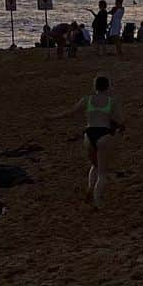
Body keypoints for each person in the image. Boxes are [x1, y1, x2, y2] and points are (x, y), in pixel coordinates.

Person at [47, 75, 125, 209]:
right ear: (108, 86)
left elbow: (70, 112)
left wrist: (52, 117)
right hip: (103, 134)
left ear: (95, 87)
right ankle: (97, 200)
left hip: (88, 135)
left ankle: (90, 188)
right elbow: (119, 121)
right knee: (102, 172)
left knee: (94, 164)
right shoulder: (111, 101)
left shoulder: (87, 100)